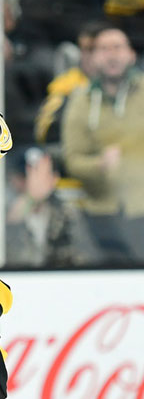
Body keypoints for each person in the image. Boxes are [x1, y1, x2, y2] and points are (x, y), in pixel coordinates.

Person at [60, 23, 144, 263]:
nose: (112, 54)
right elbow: (73, 159)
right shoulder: (81, 101)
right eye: (104, 48)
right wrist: (99, 165)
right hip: (101, 213)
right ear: (92, 58)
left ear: (131, 54)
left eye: (118, 47)